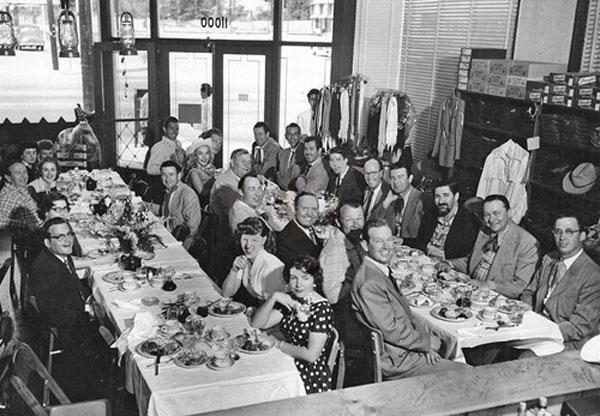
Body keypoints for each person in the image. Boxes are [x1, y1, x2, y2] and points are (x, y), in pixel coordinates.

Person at [351, 219, 466, 379]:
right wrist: (426, 344)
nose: (386, 246)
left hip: (406, 351)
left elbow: (403, 316)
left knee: (449, 349)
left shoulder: (376, 272)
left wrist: (425, 345)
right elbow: (393, 331)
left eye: (389, 240)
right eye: (378, 241)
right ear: (365, 245)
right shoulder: (369, 283)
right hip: (399, 362)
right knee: (469, 374)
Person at [29, 217, 108, 393]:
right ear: (47, 242)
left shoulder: (58, 257)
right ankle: (105, 386)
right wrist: (90, 310)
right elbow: (57, 314)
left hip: (73, 314)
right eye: (60, 237)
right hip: (69, 330)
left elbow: (72, 282)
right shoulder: (48, 270)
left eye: (69, 234)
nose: (67, 240)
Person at [252, 255, 334, 394]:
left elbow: (311, 355)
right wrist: (274, 297)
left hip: (309, 374)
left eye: (305, 278)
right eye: (294, 278)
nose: (298, 284)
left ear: (314, 280)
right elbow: (258, 324)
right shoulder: (291, 299)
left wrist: (277, 344)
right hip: (288, 360)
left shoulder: (322, 308)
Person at [521, 214, 600, 350]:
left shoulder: (593, 275)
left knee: (523, 358)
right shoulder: (549, 259)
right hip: (535, 326)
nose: (562, 237)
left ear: (581, 236)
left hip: (565, 340)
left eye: (569, 232)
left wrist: (541, 331)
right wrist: (525, 313)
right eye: (558, 232)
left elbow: (579, 328)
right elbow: (529, 292)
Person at [442, 194, 539, 299]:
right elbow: (471, 261)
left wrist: (488, 285)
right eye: (487, 215)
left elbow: (520, 286)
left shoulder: (527, 242)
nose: (491, 219)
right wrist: (451, 263)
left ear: (509, 213)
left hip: (497, 299)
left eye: (496, 213)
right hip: (471, 290)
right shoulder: (485, 231)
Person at [319, 202, 366, 349]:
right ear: (338, 222)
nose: (356, 224)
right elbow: (332, 296)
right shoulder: (336, 250)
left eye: (359, 218)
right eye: (349, 220)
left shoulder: (351, 240)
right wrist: (356, 280)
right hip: (348, 319)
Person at [222, 217, 285, 307]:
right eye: (244, 239)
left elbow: (273, 306)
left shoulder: (270, 267)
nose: (248, 245)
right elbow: (226, 293)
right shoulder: (245, 259)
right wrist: (233, 270)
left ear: (263, 240)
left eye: (254, 240)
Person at [415, 180, 479, 260]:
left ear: (456, 196)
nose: (441, 201)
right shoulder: (430, 214)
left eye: (446, 195)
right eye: (437, 196)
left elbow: (464, 258)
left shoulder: (469, 222)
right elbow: (419, 243)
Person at [385, 161, 434, 247]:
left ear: (410, 178)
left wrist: (403, 241)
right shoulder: (392, 199)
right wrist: (385, 204)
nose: (396, 182)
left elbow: (424, 239)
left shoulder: (423, 200)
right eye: (392, 178)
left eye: (400, 177)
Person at [160, 161, 202, 250]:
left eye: (171, 174)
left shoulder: (188, 195)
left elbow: (192, 229)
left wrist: (176, 247)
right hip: (167, 235)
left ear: (179, 176)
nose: (167, 179)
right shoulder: (170, 190)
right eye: (164, 175)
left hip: (180, 242)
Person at [146, 117, 185, 209]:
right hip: (162, 189)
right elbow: (150, 169)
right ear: (164, 129)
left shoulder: (178, 145)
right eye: (171, 128)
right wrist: (167, 171)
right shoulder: (159, 147)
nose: (175, 132)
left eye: (177, 129)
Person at [0, 161, 43, 244]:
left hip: (38, 231)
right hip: (31, 241)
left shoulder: (20, 188)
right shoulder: (10, 195)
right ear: (8, 177)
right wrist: (26, 225)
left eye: (24, 172)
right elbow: (1, 221)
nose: (23, 176)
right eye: (17, 173)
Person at [276, 192, 322, 265]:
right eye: (305, 208)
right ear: (295, 209)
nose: (310, 213)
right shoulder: (285, 242)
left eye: (314, 209)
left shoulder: (311, 231)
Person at [209, 148, 252, 220]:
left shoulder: (237, 178)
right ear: (232, 163)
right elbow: (233, 212)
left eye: (249, 162)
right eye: (243, 162)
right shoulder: (225, 183)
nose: (247, 166)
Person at [362, 158, 394, 226]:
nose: (370, 177)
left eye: (374, 173)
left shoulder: (388, 193)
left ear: (381, 173)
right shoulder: (367, 190)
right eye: (367, 173)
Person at [184, 142, 215, 208]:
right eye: (200, 153)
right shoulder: (194, 172)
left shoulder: (208, 170)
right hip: (199, 208)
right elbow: (202, 192)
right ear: (195, 156)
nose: (204, 157)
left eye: (206, 153)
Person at [276, 123, 306, 190]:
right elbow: (278, 173)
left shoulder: (305, 152)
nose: (292, 137)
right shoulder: (282, 153)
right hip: (282, 190)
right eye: (289, 134)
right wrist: (282, 183)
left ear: (300, 135)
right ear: (286, 136)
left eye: (295, 134)